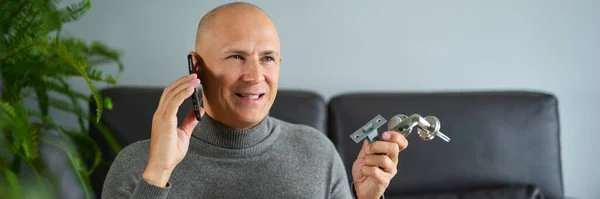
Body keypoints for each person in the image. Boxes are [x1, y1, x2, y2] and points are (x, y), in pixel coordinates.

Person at [101, 2, 408, 199]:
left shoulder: (318, 153)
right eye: (236, 57)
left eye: (268, 58)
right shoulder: (137, 166)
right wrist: (158, 173)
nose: (255, 75)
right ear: (196, 66)